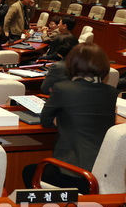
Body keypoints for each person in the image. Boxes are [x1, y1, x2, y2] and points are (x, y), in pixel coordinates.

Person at [23, 43, 117, 193]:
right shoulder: (111, 93)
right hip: (101, 172)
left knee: (29, 171)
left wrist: (63, 119)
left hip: (71, 172)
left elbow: (46, 121)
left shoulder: (63, 88)